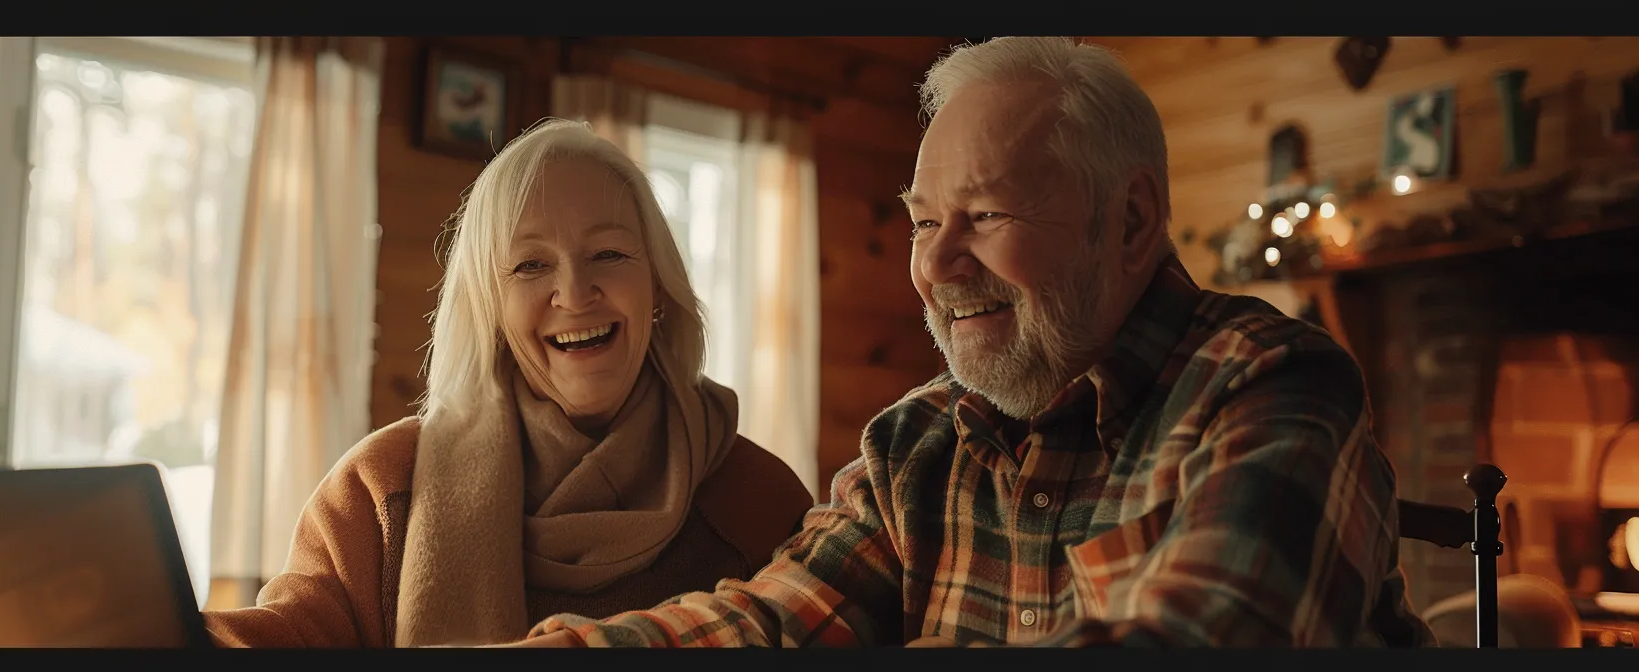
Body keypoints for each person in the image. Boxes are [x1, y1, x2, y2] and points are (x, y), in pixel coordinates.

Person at [509, 37, 1435, 648]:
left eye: (985, 213)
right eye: (921, 222)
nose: (938, 266)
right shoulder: (918, 442)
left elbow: (1210, 636)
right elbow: (769, 623)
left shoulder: (1270, 382)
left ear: (1133, 219)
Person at [202, 119, 813, 647]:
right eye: (531, 264)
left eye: (609, 254)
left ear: (657, 285)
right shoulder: (380, 489)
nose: (574, 293)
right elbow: (288, 636)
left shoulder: (760, 499)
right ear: (490, 306)